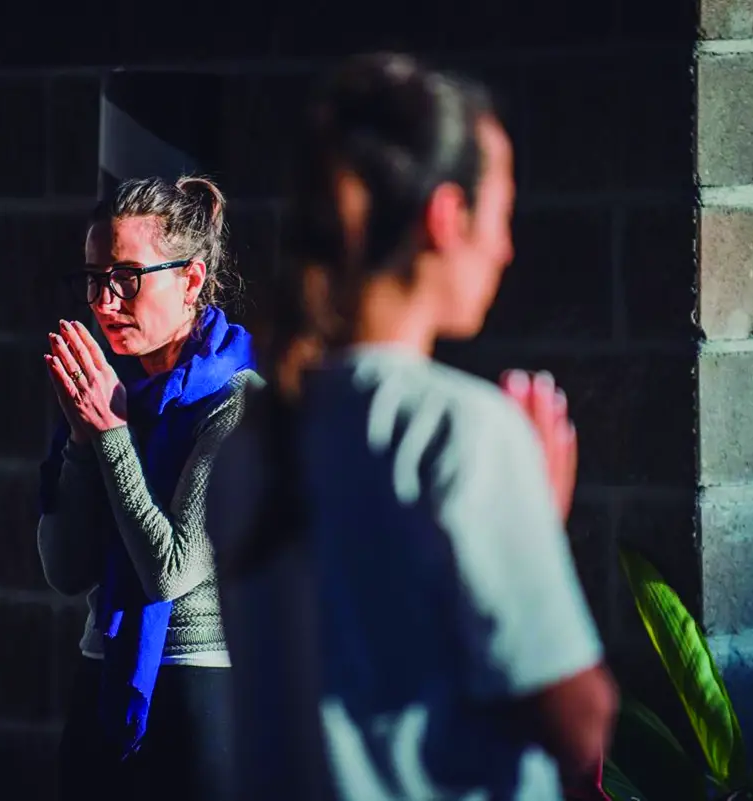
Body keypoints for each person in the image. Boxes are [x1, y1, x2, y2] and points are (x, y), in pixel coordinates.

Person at [207, 53, 617, 801]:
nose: (506, 247)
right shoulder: (462, 431)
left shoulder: (248, 442)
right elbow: (579, 720)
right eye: (500, 214)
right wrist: (538, 524)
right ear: (445, 217)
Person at [36, 175, 258, 801]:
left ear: (190, 280)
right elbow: (64, 569)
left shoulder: (238, 403)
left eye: (127, 277)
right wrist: (84, 442)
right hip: (102, 671)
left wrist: (109, 434)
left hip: (197, 688)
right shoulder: (112, 390)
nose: (104, 301)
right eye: (93, 278)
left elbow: (170, 572)